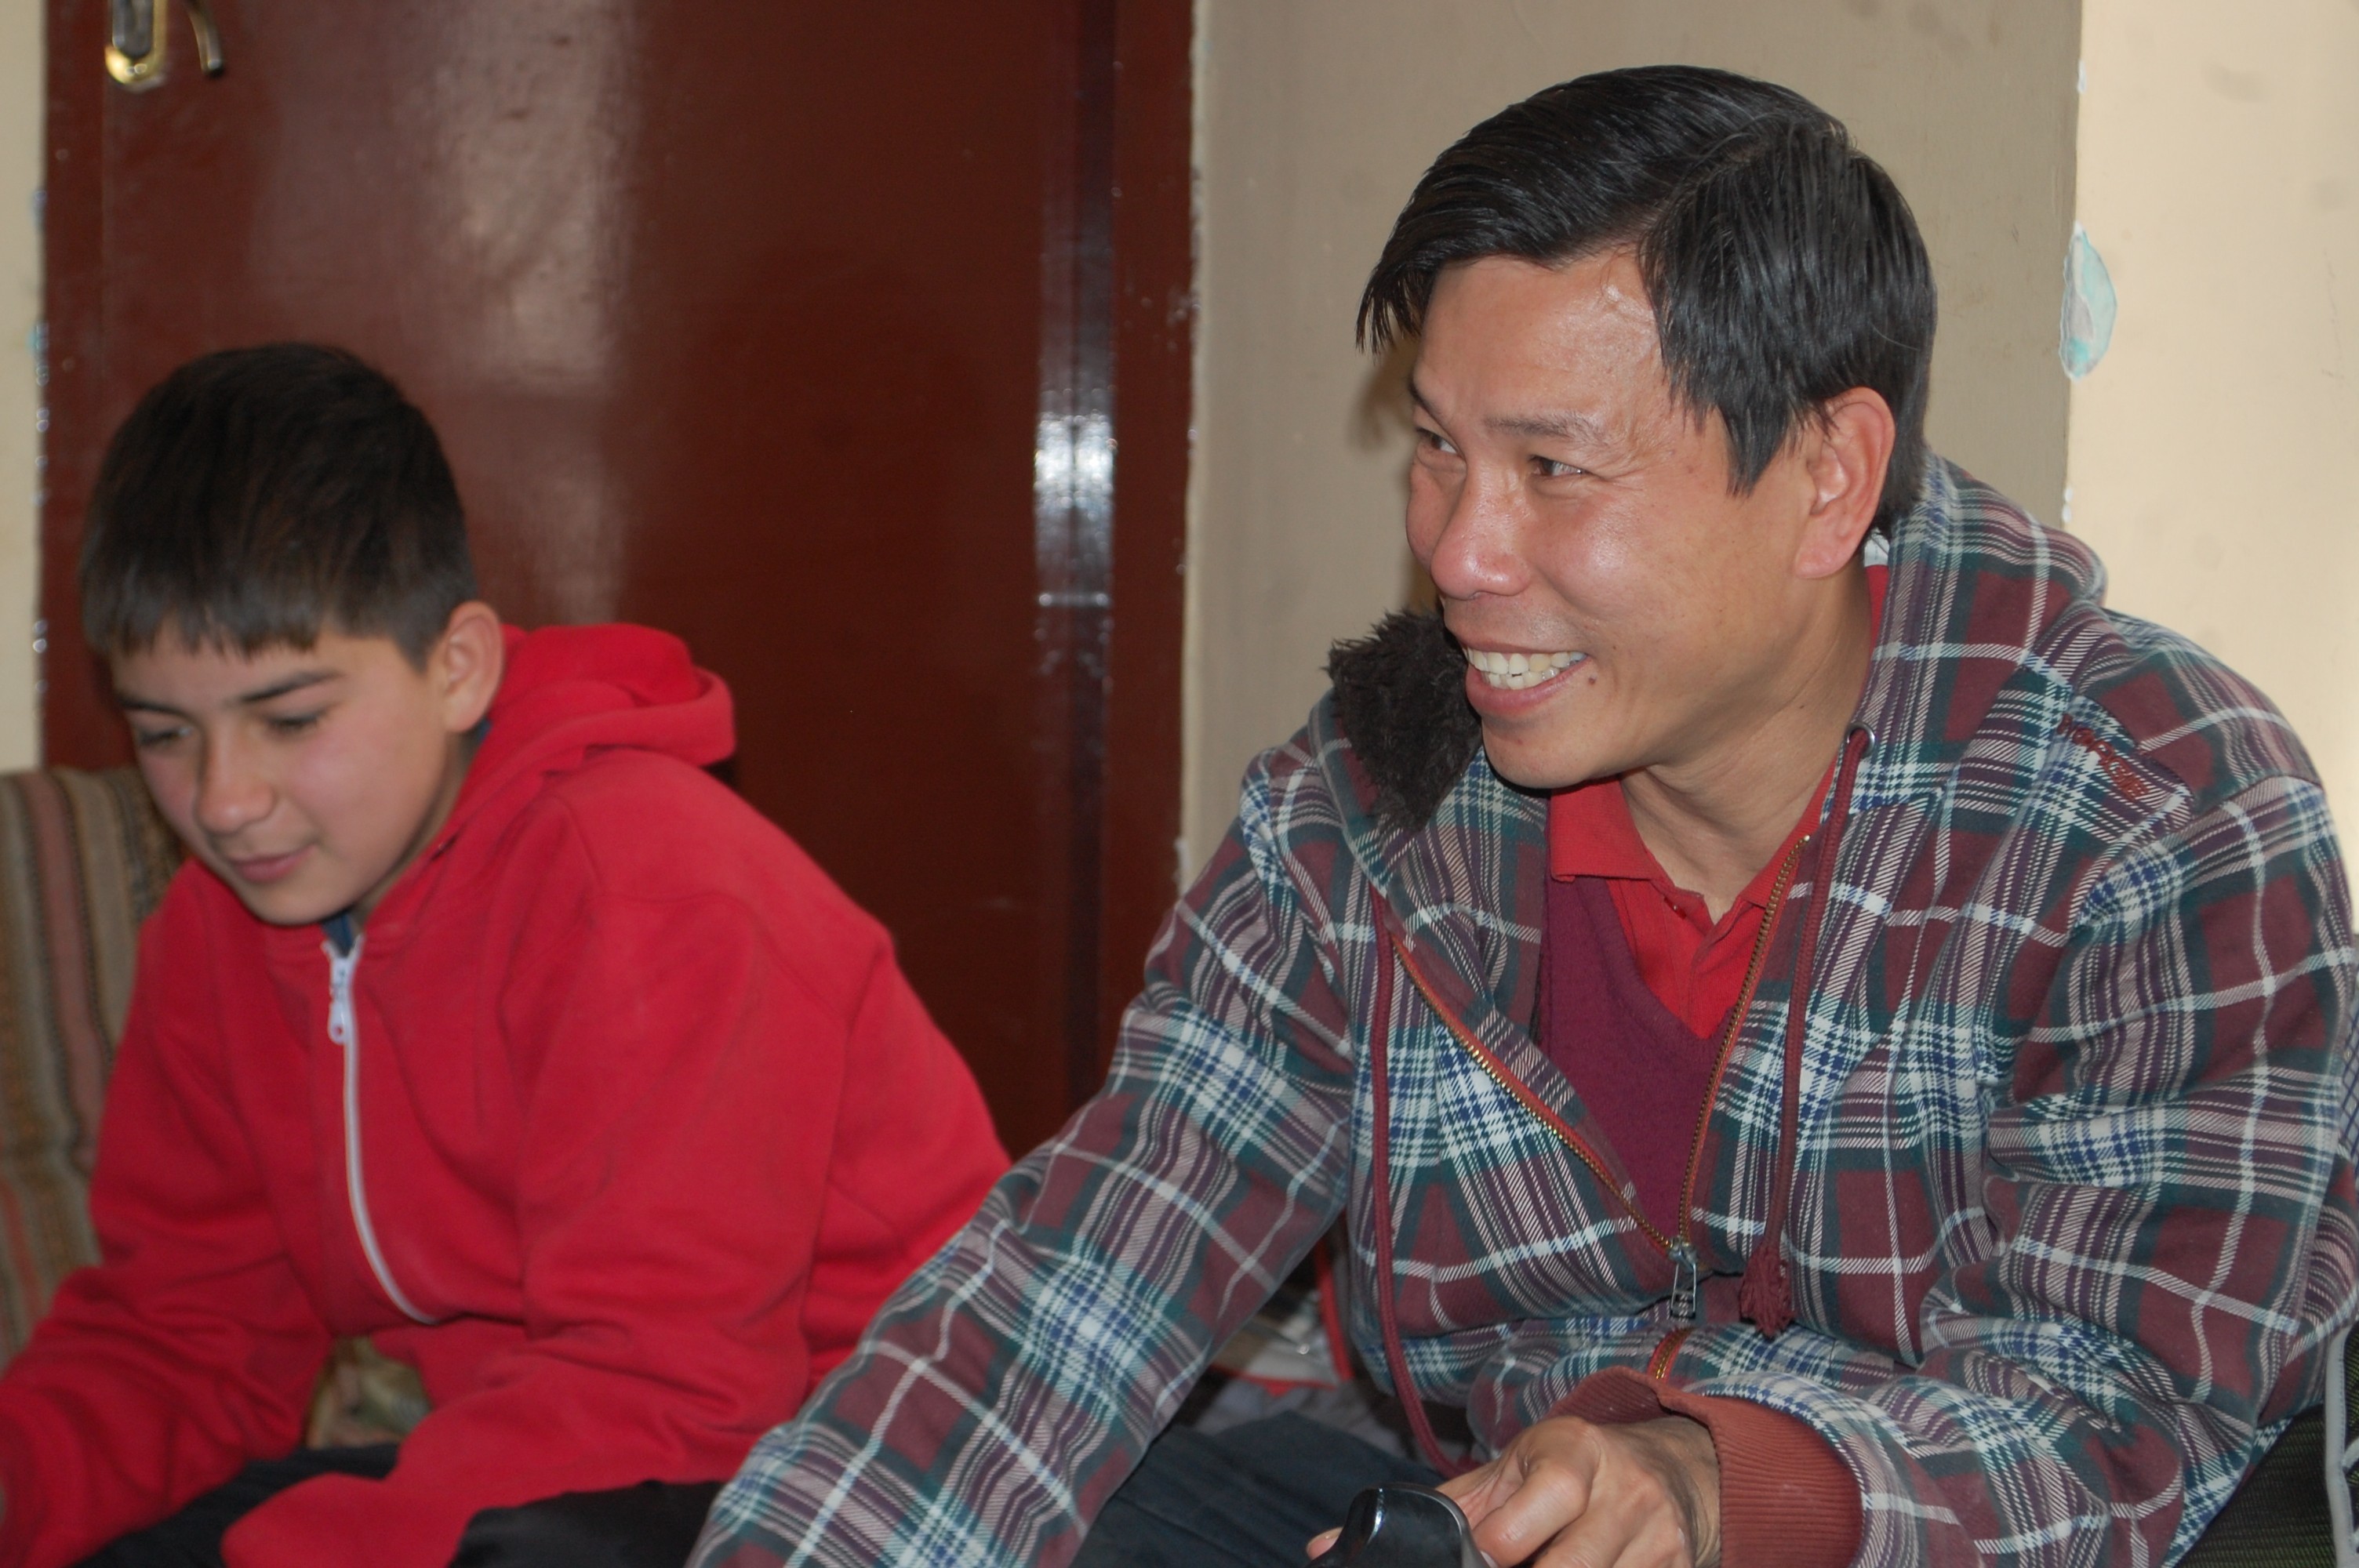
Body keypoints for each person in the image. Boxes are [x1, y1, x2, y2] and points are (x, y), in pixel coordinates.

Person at [692, 65, 2359, 1568]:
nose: (1460, 552)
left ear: (1828, 476)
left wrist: (1717, 1491)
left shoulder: (2152, 807)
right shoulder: (1377, 800)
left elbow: (2132, 1433)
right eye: (1434, 450)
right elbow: (1082, 1279)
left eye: (1553, 470)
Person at [0, 344, 1009, 1568]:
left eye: (293, 718)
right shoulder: (217, 933)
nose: (222, 800)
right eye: (165, 734)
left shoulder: (648, 883)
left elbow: (672, 1389)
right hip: (564, 1453)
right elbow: (184, 1345)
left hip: (883, 1465)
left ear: (458, 667)